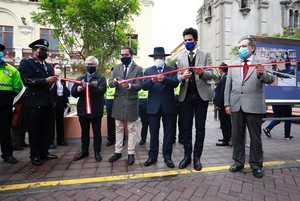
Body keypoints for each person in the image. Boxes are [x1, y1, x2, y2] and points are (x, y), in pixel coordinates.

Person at [224, 36, 275, 178]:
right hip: (236, 105)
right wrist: (227, 104)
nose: (241, 49)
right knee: (237, 136)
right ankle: (238, 162)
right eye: (240, 46)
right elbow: (228, 85)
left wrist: (262, 74)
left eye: (244, 46)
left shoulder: (263, 62)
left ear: (252, 48)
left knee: (255, 137)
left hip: (254, 105)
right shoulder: (234, 64)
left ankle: (256, 164)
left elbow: (271, 79)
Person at [177, 27, 213, 171]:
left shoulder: (206, 54)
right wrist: (182, 78)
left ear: (196, 41)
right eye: (185, 40)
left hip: (201, 96)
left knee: (200, 128)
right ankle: (187, 156)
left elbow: (211, 74)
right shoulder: (180, 57)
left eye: (190, 40)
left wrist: (202, 72)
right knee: (185, 127)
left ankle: (197, 157)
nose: (187, 43)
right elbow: (177, 76)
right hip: (185, 96)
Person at [18, 39, 59, 166]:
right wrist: (45, 81)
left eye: (45, 50)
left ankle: (44, 152)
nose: (44, 52)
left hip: (47, 103)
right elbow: (27, 81)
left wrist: (53, 100)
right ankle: (35, 155)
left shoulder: (48, 66)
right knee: (34, 131)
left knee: (46, 130)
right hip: (34, 103)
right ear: (34, 51)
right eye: (42, 50)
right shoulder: (27, 63)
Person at [142, 47, 179, 168]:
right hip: (153, 107)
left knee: (168, 133)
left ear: (164, 58)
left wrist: (164, 79)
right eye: (156, 58)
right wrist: (152, 81)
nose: (158, 59)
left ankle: (167, 157)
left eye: (160, 57)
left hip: (168, 106)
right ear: (153, 59)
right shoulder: (149, 71)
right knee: (153, 133)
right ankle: (152, 156)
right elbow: (144, 86)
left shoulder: (172, 70)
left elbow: (175, 83)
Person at [108, 47, 143, 166]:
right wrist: (115, 82)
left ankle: (130, 153)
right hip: (118, 103)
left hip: (131, 102)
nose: (124, 57)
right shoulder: (116, 68)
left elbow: (139, 85)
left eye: (126, 55)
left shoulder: (138, 69)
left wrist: (129, 86)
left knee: (132, 129)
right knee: (118, 128)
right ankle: (117, 152)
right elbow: (110, 83)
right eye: (122, 55)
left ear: (131, 55)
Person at [72, 56, 106, 162]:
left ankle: (97, 152)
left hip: (95, 110)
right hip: (83, 110)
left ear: (96, 66)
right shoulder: (80, 78)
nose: (89, 66)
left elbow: (101, 91)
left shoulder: (101, 78)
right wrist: (77, 89)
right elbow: (73, 94)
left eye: (92, 65)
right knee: (84, 132)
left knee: (97, 132)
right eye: (88, 64)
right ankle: (84, 151)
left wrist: (90, 86)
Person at [0, 43, 23, 163]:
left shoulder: (11, 70)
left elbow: (18, 87)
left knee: (5, 131)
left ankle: (7, 154)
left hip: (5, 104)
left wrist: (8, 98)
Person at [49, 63, 71, 148]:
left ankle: (60, 140)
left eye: (59, 68)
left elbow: (64, 92)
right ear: (53, 69)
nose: (58, 69)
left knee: (60, 122)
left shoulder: (62, 80)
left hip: (61, 102)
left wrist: (66, 101)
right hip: (53, 103)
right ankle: (50, 142)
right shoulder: (50, 79)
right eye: (57, 67)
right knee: (51, 123)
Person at [213, 62, 231, 146]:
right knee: (224, 122)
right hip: (223, 104)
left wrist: (218, 105)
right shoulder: (223, 77)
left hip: (223, 105)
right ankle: (225, 137)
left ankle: (226, 139)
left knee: (225, 123)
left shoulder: (225, 78)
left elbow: (222, 93)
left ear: (221, 69)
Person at [11, 86, 28, 150]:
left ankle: (21, 141)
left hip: (23, 105)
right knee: (16, 125)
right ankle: (15, 144)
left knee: (23, 125)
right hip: (16, 105)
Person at [105, 77, 116, 146]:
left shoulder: (119, 80)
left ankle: (121, 140)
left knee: (119, 122)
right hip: (109, 103)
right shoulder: (107, 81)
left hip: (117, 103)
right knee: (110, 123)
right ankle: (110, 139)